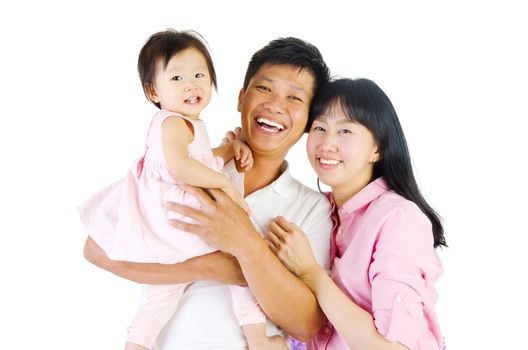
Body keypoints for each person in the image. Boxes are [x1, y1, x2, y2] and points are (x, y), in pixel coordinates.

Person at [83, 36, 333, 349]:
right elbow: (96, 249)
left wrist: (245, 245)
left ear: (310, 120)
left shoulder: (313, 208)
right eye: (264, 88)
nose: (275, 105)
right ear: (241, 98)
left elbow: (307, 324)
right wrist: (210, 266)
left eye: (295, 98)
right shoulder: (191, 166)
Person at [266, 78, 447, 350]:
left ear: (377, 148)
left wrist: (312, 274)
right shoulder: (319, 211)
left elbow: (395, 348)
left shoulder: (398, 218)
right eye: (319, 128)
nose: (327, 143)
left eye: (345, 131)